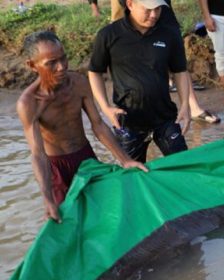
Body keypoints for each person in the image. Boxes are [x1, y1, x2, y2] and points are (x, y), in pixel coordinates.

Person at [17, 31, 147, 223]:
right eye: (51, 63)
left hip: (85, 159)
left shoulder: (78, 83)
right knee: (66, 221)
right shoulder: (29, 103)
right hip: (56, 169)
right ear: (32, 65)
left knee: (105, 212)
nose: (61, 67)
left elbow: (98, 125)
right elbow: (38, 154)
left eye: (63, 58)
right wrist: (47, 198)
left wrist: (125, 160)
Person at [89, 0, 192, 163]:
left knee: (183, 165)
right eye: (148, 9)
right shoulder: (108, 35)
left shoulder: (170, 34)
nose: (154, 15)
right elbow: (95, 72)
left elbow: (180, 71)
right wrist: (105, 107)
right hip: (128, 121)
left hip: (165, 117)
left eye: (158, 9)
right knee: (131, 174)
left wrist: (186, 105)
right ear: (130, 4)